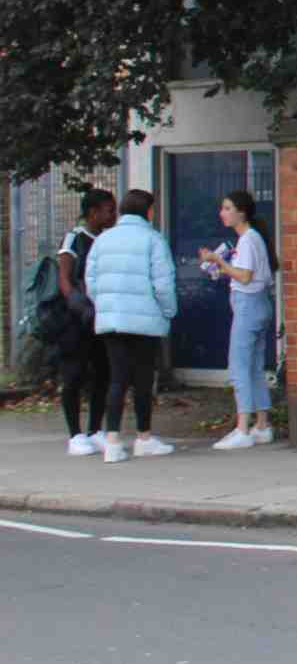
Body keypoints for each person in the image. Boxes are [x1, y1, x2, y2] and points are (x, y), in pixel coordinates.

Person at [85, 188, 178, 462]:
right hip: (144, 321)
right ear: (148, 211)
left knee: (117, 379)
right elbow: (163, 284)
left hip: (111, 320)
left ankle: (112, 441)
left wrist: (105, 306)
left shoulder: (103, 240)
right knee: (142, 380)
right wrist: (168, 312)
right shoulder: (153, 239)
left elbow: (92, 281)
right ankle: (143, 437)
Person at [198, 189, 276, 448]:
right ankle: (261, 424)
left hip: (248, 305)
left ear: (241, 213)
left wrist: (218, 260)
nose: (222, 213)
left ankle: (242, 428)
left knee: (239, 365)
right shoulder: (253, 239)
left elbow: (244, 276)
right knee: (254, 366)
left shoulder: (247, 240)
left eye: (227, 208)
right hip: (260, 304)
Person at [55, 188, 116, 455]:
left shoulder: (108, 239)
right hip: (77, 320)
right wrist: (79, 306)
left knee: (103, 373)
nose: (113, 215)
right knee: (74, 375)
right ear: (93, 213)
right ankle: (75, 434)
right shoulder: (75, 239)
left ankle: (95, 430)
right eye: (109, 210)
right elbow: (65, 279)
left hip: (101, 318)